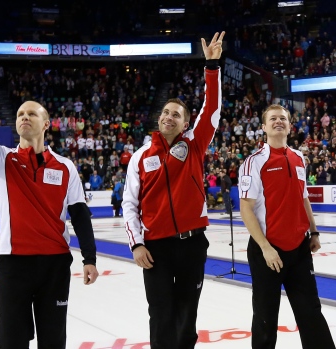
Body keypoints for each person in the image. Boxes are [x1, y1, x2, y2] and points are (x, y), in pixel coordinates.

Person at [0, 64, 99, 349]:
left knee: (53, 340)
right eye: (20, 114)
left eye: (31, 113)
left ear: (46, 123)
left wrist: (90, 258)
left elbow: (79, 214)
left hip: (55, 265)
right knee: (11, 341)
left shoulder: (65, 167)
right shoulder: (1, 159)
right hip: (14, 265)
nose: (24, 117)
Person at [122, 31, 225, 349]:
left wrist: (212, 66)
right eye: (166, 112)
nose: (169, 117)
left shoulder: (195, 144)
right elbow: (129, 204)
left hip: (193, 245)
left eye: (176, 115)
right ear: (159, 118)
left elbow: (212, 109)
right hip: (156, 249)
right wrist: (136, 245)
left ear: (185, 123)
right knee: (161, 314)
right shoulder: (140, 156)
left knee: (187, 315)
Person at [239, 104, 336, 349]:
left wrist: (313, 232)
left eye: (283, 118)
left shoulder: (298, 157)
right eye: (272, 119)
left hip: (299, 250)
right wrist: (265, 248)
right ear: (263, 127)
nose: (278, 121)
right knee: (265, 319)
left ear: (290, 125)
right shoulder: (254, 162)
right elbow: (245, 207)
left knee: (311, 313)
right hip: (268, 251)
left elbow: (303, 197)